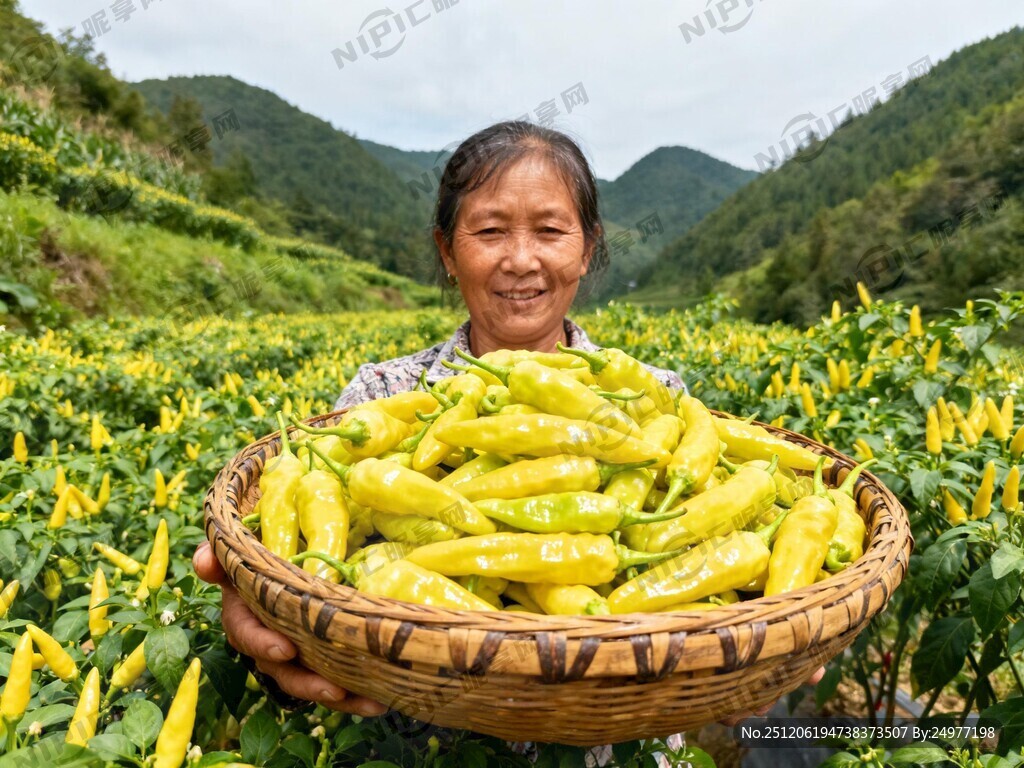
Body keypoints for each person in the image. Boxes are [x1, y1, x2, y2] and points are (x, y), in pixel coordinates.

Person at [193, 121, 822, 764]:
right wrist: (278, 623)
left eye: (550, 231)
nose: (521, 259)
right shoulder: (381, 395)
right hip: (421, 745)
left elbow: (728, 579)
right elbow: (313, 560)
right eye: (490, 231)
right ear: (446, 250)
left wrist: (763, 652)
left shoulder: (658, 398)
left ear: (587, 248)